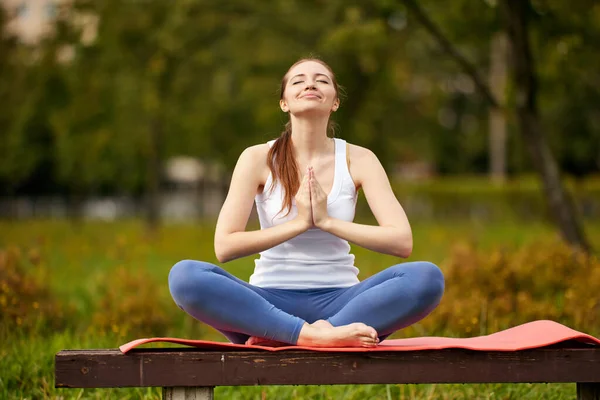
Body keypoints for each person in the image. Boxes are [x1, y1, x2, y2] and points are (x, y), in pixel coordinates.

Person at [168, 58, 444, 348]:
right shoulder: (256, 158)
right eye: (298, 80)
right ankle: (313, 337)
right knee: (185, 276)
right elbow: (225, 247)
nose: (310, 83)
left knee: (427, 277)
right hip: (267, 306)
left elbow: (401, 241)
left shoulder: (360, 159)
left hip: (342, 305)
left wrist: (327, 222)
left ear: (335, 102)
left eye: (322, 79)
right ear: (284, 102)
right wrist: (300, 224)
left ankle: (304, 334)